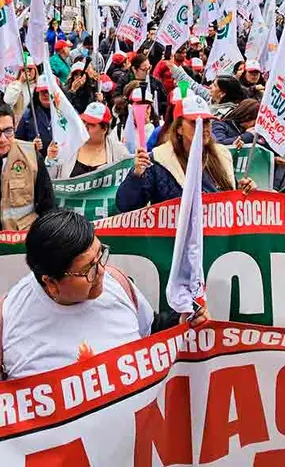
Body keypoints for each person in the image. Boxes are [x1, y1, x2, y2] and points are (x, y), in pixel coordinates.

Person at [0, 209, 209, 380]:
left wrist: (182, 320)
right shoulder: (10, 316)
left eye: (100, 256)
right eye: (88, 270)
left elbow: (150, 329)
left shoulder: (117, 283)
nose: (101, 271)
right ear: (52, 283)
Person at [115, 94, 254, 212]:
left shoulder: (222, 156)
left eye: (206, 122)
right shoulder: (158, 160)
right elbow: (126, 206)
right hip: (174, 241)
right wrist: (136, 176)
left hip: (215, 240)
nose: (203, 128)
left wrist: (243, 190)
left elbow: (231, 203)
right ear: (179, 128)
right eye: (195, 123)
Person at [0, 103, 54, 230]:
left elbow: (47, 205)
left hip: (23, 237)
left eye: (8, 131)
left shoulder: (31, 156)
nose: (2, 139)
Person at [45, 102, 130, 179]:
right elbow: (49, 181)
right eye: (84, 122)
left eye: (91, 125)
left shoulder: (119, 152)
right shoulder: (66, 146)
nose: (85, 127)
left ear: (104, 129)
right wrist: (50, 160)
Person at [14, 78, 53, 155]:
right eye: (42, 91)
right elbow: (17, 142)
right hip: (35, 161)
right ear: (37, 93)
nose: (46, 94)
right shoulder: (28, 115)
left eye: (49, 91)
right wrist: (31, 145)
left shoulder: (66, 114)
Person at [4, 58, 39, 125]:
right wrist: (20, 82)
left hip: (35, 122)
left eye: (30, 69)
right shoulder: (14, 85)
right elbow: (8, 101)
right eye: (24, 70)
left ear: (35, 70)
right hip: (19, 123)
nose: (27, 72)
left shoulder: (39, 84)